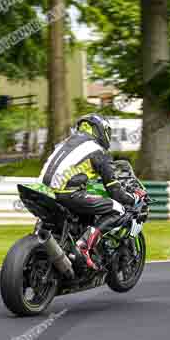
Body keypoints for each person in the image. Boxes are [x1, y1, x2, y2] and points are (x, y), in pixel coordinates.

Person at [39, 114, 146, 270]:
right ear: (100, 130)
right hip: (67, 193)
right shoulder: (97, 151)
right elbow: (115, 191)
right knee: (118, 209)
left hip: (42, 190)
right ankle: (84, 246)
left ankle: (43, 241)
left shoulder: (64, 143)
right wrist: (133, 197)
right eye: (107, 132)